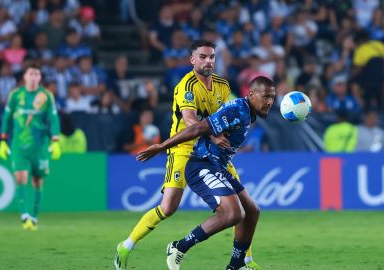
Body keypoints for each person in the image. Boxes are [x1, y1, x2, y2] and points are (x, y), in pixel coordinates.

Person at [114, 40, 262, 270]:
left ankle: (244, 260)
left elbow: (227, 113)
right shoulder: (186, 85)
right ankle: (127, 245)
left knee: (244, 205)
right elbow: (191, 121)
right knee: (168, 207)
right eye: (203, 56)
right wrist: (213, 135)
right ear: (192, 60)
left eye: (212, 57)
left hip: (213, 152)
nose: (208, 61)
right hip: (183, 147)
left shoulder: (222, 85)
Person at [136, 76, 276, 270]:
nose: (269, 102)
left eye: (272, 97)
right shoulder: (238, 109)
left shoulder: (248, 113)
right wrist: (161, 146)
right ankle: (179, 247)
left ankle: (236, 265)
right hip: (201, 165)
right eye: (265, 96)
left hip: (218, 165)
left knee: (252, 211)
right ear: (251, 94)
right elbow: (198, 128)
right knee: (233, 213)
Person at [0, 64, 61, 231]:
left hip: (40, 146)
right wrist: (3, 140)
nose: (33, 77)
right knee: (20, 178)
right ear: (25, 77)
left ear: (40, 77)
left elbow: (53, 119)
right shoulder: (16, 95)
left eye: (37, 74)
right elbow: (6, 118)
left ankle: (33, 216)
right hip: (19, 145)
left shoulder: (46, 96)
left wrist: (55, 140)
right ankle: (24, 215)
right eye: (31, 73)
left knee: (38, 181)